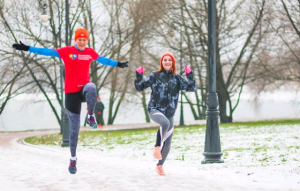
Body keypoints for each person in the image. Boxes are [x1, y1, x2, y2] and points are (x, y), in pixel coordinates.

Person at [12, 27, 128, 174]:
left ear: (87, 40)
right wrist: (27, 48)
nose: (82, 41)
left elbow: (103, 59)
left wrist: (117, 64)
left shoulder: (89, 52)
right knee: (74, 130)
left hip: (84, 89)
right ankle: (73, 159)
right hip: (71, 94)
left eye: (84, 39)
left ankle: (91, 116)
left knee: (92, 87)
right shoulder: (67, 51)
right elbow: (46, 52)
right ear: (76, 40)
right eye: (79, 39)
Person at [134, 52, 197, 176]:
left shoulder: (177, 78)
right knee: (164, 123)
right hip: (155, 109)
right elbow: (140, 87)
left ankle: (160, 165)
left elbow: (191, 88)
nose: (167, 62)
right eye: (165, 60)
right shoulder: (154, 76)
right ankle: (157, 146)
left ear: (172, 63)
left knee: (168, 143)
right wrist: (138, 76)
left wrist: (190, 75)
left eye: (169, 60)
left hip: (170, 112)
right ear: (162, 63)